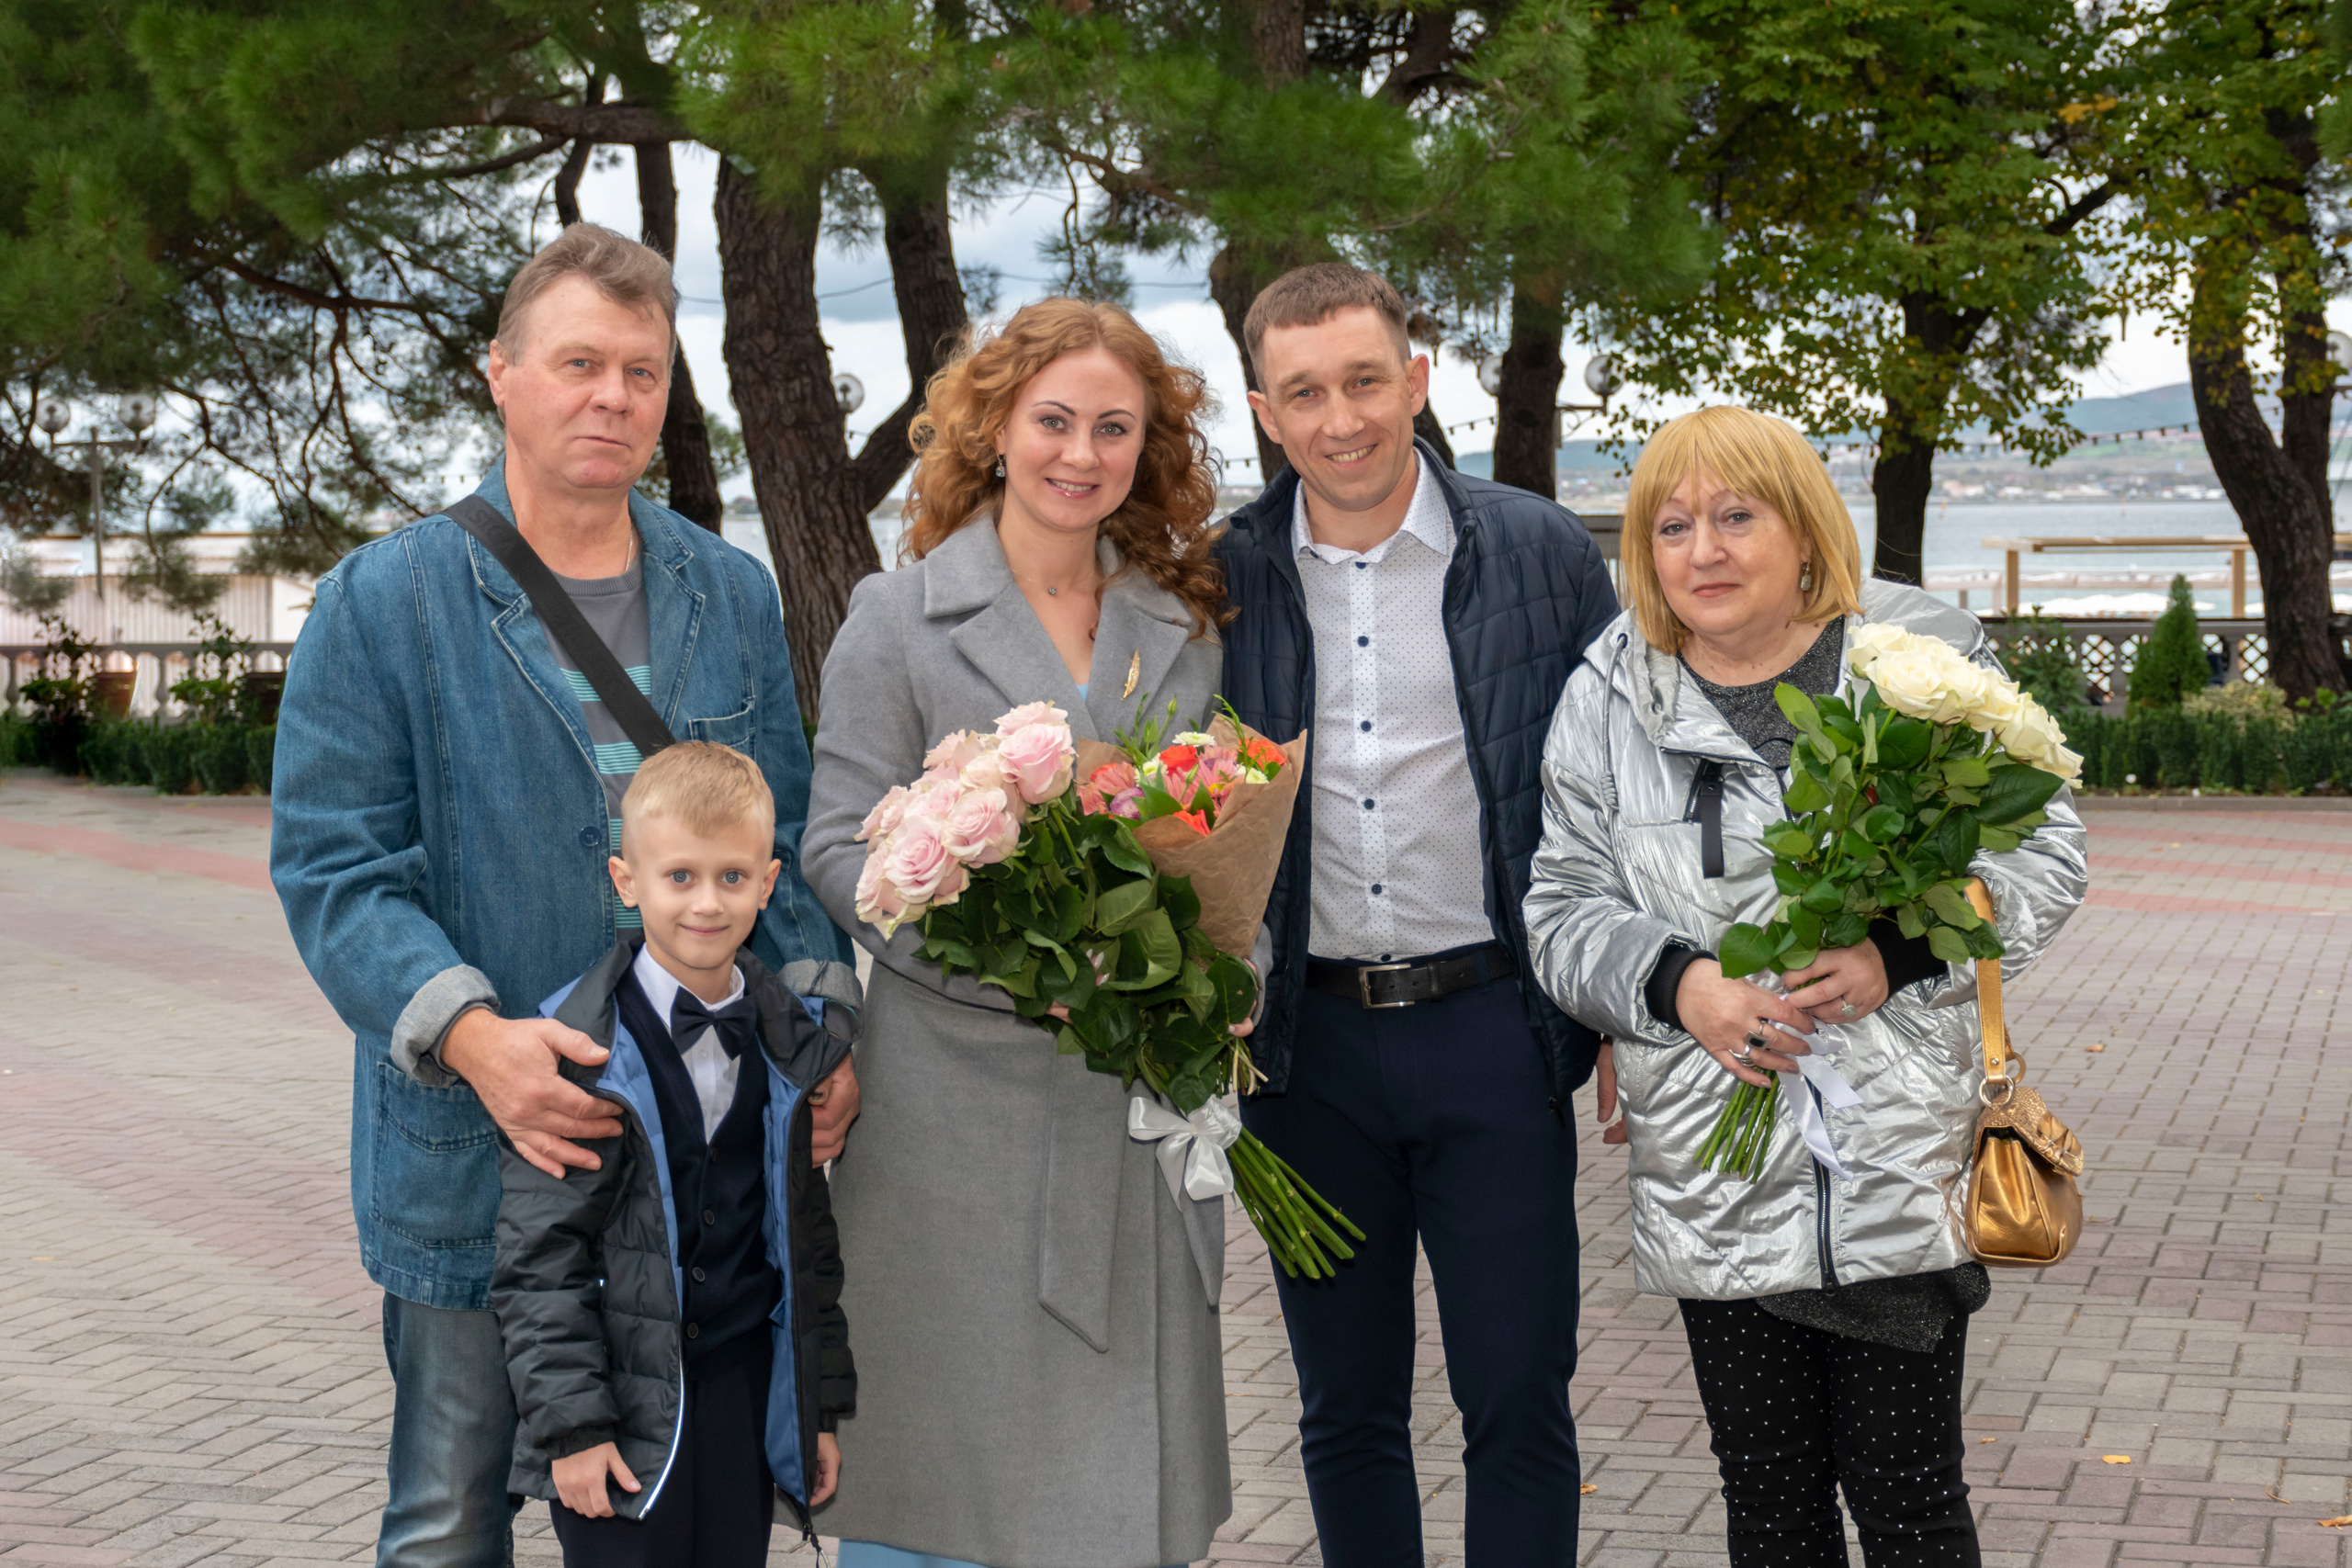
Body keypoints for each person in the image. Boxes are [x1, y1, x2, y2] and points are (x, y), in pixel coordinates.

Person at [269, 223, 859, 1568]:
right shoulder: (384, 601)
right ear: (502, 372)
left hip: (694, 1178)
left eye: (641, 372)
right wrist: (478, 1041)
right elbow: (335, 867)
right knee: (448, 1514)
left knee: (683, 1519)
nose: (611, 395)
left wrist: (824, 1026)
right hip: (488, 1153)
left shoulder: (729, 590)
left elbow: (790, 833)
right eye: (580, 361)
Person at [1521, 404, 2088, 1568]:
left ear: (1805, 533)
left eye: (1737, 517)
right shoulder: (1609, 693)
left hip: (1893, 1154)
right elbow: (1561, 903)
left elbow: (2041, 852)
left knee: (1909, 1497)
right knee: (1768, 1504)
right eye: (1671, 526)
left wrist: (1900, 955)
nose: (1704, 552)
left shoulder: (1916, 667)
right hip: (1714, 1167)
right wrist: (1677, 985)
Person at [800, 298, 1235, 1568]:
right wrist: (1021, 955)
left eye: (1115, 427)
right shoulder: (897, 615)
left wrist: (1205, 977)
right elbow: (835, 846)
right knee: (936, 1483)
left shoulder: (1182, 631)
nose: (1080, 452)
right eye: (1054, 420)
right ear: (994, 428)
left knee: (1113, 1502)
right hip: (947, 1130)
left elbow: (1209, 845)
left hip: (1126, 1112)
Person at [1215, 262, 1618, 1566]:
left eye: (1365, 380)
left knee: (1515, 1392)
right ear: (1269, 413)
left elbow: (1620, 789)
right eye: (1305, 392)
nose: (1342, 418)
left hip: (1497, 1029)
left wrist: (1617, 998)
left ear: (1418, 377)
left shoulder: (1542, 552)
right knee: (1344, 1408)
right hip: (1302, 1055)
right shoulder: (1217, 579)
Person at [492, 741, 854, 1568]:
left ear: (768, 884)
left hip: (741, 1388)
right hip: (618, 1406)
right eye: (679, 876)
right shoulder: (582, 1051)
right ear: (628, 882)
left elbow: (809, 1247)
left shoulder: (791, 1045)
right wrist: (573, 1427)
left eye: (732, 877)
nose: (707, 903)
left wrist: (815, 1411)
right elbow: (538, 1261)